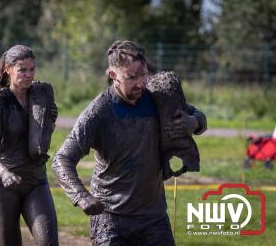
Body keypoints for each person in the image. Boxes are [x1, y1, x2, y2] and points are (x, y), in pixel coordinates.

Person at [52, 40, 207, 245]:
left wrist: (193, 122)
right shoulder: (99, 112)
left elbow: (199, 118)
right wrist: (81, 196)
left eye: (143, 75)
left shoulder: (157, 97)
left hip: (154, 217)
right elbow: (61, 159)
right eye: (131, 77)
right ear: (113, 75)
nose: (140, 83)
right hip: (110, 218)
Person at [0, 45, 59, 246]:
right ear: (8, 69)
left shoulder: (40, 96)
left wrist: (50, 120)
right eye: (23, 70)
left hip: (36, 181)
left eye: (32, 69)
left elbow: (42, 137)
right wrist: (4, 172)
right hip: (3, 184)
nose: (29, 75)